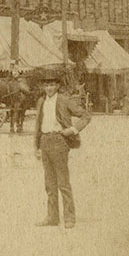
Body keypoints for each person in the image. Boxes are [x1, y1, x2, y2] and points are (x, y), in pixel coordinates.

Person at [33, 73, 91, 229]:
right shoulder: (41, 101)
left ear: (57, 86)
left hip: (59, 142)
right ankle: (52, 217)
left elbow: (85, 115)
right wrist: (36, 146)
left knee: (63, 183)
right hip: (45, 141)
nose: (49, 88)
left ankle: (69, 218)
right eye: (46, 85)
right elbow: (38, 125)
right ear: (43, 87)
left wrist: (72, 130)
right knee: (49, 184)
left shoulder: (65, 100)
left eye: (52, 85)